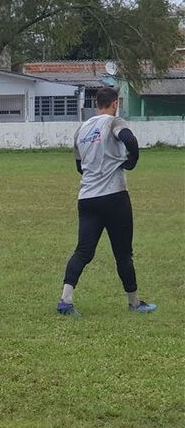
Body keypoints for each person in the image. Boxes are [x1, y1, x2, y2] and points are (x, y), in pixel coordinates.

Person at [58, 86, 156, 317]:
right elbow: (130, 140)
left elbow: (79, 166)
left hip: (87, 198)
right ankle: (134, 303)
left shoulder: (81, 130)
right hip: (114, 197)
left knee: (83, 251)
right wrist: (130, 162)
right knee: (123, 254)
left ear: (95, 104)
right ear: (115, 104)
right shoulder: (114, 122)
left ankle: (65, 300)